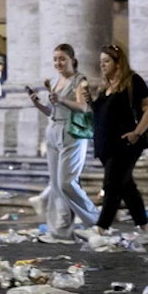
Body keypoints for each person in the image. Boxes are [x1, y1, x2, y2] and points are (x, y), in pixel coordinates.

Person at [79, 43, 148, 236]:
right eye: (101, 62)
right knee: (126, 185)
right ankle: (144, 226)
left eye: (106, 61)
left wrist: (137, 132)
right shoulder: (105, 85)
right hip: (106, 144)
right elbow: (100, 113)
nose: (102, 65)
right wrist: (90, 101)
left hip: (126, 142)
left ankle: (101, 227)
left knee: (111, 184)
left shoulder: (133, 81)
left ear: (118, 62)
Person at [27, 43, 98, 239]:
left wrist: (61, 100)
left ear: (72, 60)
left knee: (66, 182)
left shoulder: (80, 81)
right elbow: (53, 111)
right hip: (53, 129)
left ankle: (97, 221)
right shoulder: (55, 81)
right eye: (56, 59)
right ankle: (61, 229)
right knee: (56, 185)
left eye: (62, 59)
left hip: (71, 132)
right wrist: (38, 104)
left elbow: (84, 107)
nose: (58, 63)